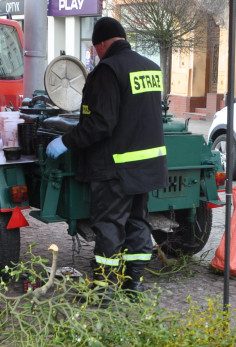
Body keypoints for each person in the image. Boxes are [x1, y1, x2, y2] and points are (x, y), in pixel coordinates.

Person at [46, 17, 167, 296]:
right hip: (146, 167)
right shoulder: (150, 68)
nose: (95, 52)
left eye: (94, 47)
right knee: (138, 223)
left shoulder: (108, 70)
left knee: (110, 227)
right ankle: (133, 283)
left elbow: (100, 124)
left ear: (101, 43)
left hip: (116, 169)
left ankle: (103, 290)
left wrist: (67, 140)